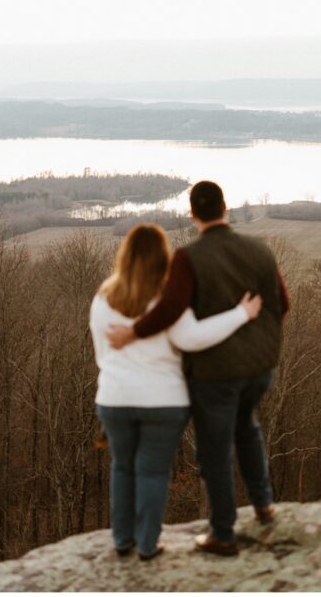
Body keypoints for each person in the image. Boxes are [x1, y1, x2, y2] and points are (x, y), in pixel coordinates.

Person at [107, 181, 290, 556]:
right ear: (225, 207)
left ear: (193, 214)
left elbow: (172, 308)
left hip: (216, 375)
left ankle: (223, 533)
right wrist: (257, 336)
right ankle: (264, 504)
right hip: (259, 367)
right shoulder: (260, 251)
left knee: (214, 450)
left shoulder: (189, 258)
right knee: (248, 428)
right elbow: (282, 303)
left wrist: (133, 332)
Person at [90, 223, 262, 560]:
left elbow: (101, 354)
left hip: (115, 397)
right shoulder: (169, 297)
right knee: (152, 472)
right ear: (163, 256)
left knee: (122, 468)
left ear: (125, 254)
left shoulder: (103, 298)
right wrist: (241, 313)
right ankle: (147, 545)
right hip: (164, 401)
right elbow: (192, 338)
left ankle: (122, 540)